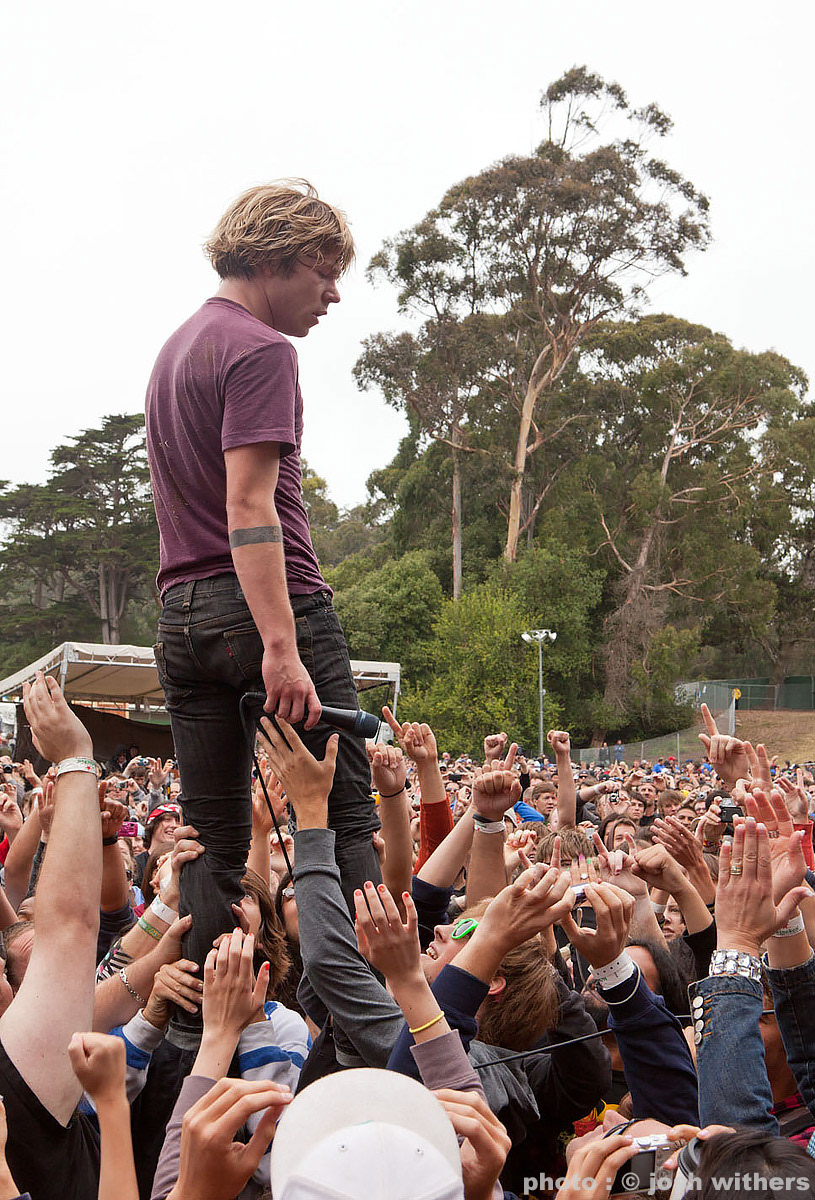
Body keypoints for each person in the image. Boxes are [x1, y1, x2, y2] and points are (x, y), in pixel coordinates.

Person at [144, 180, 381, 1048]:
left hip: (180, 612)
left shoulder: (177, 348)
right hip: (267, 611)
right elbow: (249, 505)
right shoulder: (261, 349)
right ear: (276, 259)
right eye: (323, 271)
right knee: (344, 818)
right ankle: (368, 1031)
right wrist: (282, 645)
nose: (333, 293)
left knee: (209, 836)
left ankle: (204, 1037)